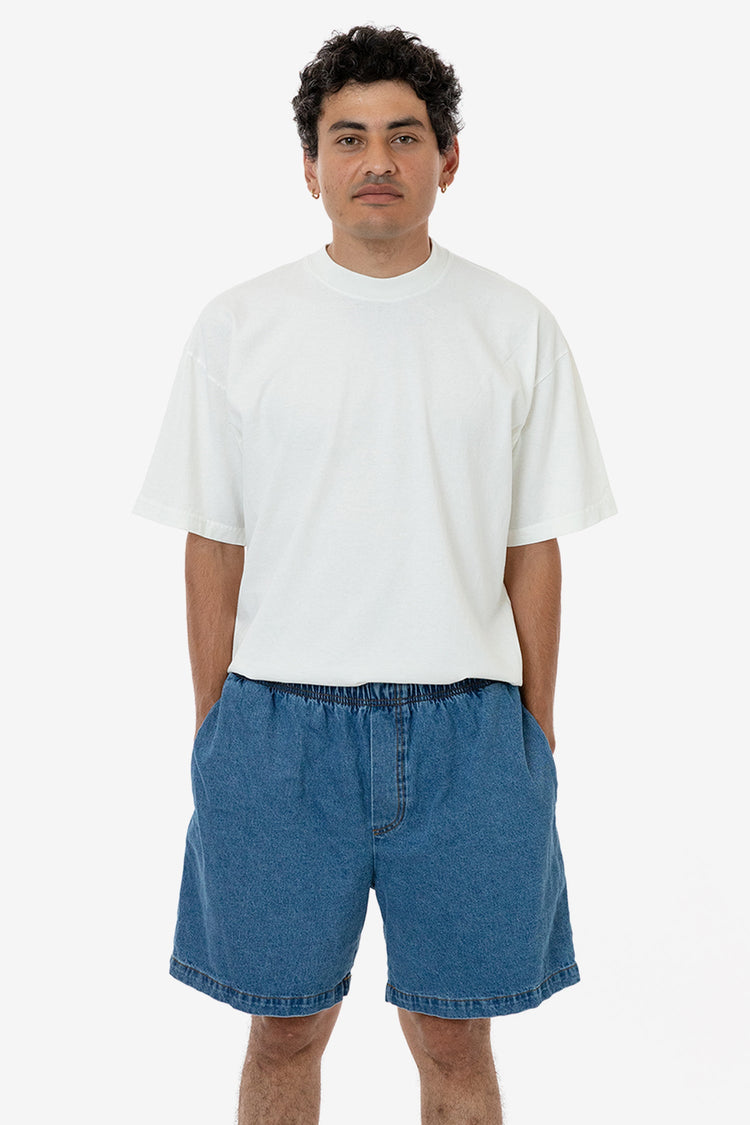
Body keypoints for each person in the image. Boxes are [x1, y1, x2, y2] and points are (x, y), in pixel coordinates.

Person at [134, 24, 616, 1125]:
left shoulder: (513, 325)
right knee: (284, 1026)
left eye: (405, 135)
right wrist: (217, 725)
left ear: (450, 158)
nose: (377, 160)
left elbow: (532, 546)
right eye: (347, 138)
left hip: (469, 730)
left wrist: (534, 730)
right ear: (310, 166)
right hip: (276, 727)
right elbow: (213, 542)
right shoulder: (240, 325)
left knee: (455, 1035)